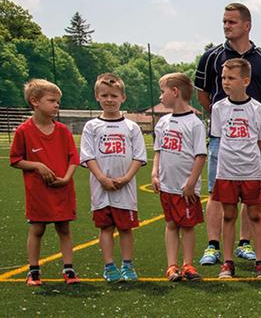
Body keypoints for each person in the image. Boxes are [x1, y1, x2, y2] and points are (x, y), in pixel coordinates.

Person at [195, 2, 261, 266]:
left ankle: (245, 243)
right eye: (224, 22)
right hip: (224, 138)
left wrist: (251, 123)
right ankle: (213, 245)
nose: (226, 26)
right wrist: (225, 117)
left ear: (247, 25)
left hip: (255, 138)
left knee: (251, 193)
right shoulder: (211, 57)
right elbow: (203, 94)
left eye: (231, 22)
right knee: (216, 192)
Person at [80, 73, 147, 282]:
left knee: (126, 228)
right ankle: (109, 266)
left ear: (123, 98)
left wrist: (126, 178)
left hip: (125, 189)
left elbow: (139, 156)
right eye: (104, 95)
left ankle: (127, 265)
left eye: (114, 95)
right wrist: (102, 178)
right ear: (97, 97)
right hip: (101, 189)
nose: (109, 99)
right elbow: (88, 156)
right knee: (106, 227)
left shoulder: (131, 127)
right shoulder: (91, 126)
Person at [13, 79, 80, 286]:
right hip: (38, 192)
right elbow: (16, 160)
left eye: (58, 101)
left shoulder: (62, 131)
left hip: (62, 189)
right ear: (35, 101)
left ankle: (69, 269)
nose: (56, 105)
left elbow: (73, 159)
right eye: (52, 100)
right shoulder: (23, 131)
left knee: (64, 229)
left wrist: (67, 178)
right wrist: (37, 166)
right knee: (37, 229)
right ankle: (33, 271)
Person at [209, 58, 261, 279]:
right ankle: (227, 263)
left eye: (231, 78)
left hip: (251, 172)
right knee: (228, 215)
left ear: (245, 80)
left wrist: (247, 158)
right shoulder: (218, 108)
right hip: (226, 172)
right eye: (223, 77)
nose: (225, 82)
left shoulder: (259, 109)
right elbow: (218, 138)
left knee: (255, 215)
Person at [153, 73, 207, 282]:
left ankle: (188, 265)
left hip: (186, 188)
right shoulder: (163, 122)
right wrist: (154, 173)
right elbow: (158, 150)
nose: (160, 97)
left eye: (162, 91)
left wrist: (191, 183)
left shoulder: (195, 123)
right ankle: (172, 266)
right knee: (171, 224)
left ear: (175, 92)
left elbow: (200, 155)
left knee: (187, 225)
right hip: (167, 186)